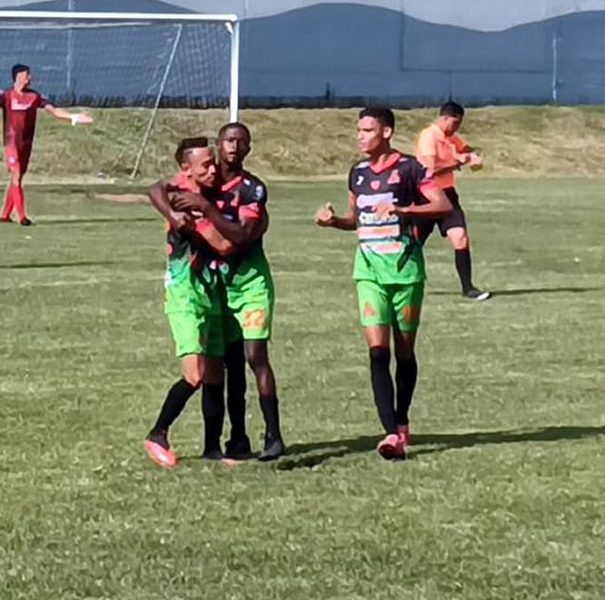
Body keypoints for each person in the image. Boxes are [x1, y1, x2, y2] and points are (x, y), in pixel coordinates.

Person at [316, 107, 452, 460]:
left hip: (405, 271)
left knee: (404, 353)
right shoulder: (357, 173)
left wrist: (404, 212)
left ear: (387, 132)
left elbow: (441, 205)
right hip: (368, 272)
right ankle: (390, 433)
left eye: (367, 130)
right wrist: (334, 222)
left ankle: (402, 420)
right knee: (378, 352)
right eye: (358, 130)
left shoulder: (410, 169)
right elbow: (357, 221)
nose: (360, 136)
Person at [154, 124, 285, 463]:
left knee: (243, 361)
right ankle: (185, 439)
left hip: (237, 285)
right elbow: (156, 188)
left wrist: (202, 212)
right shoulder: (193, 188)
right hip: (202, 288)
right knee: (210, 370)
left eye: (242, 141)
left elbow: (235, 240)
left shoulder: (248, 189)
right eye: (228, 140)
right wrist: (174, 214)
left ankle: (253, 440)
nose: (233, 148)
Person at [142, 137, 256, 468]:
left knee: (215, 374)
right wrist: (178, 217)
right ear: (186, 170)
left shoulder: (204, 194)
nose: (213, 168)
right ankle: (157, 433)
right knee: (195, 373)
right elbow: (221, 243)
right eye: (205, 164)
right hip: (185, 292)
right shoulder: (181, 197)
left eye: (212, 161)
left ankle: (212, 449)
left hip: (212, 290)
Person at [0, 64, 92, 226]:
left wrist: (73, 118)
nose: (30, 78)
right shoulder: (5, 96)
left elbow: (53, 110)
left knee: (16, 178)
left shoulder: (35, 97)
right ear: (18, 77)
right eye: (27, 75)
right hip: (11, 142)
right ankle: (22, 217)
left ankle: (5, 215)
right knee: (16, 175)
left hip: (26, 144)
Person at [413, 101, 490, 301]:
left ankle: (468, 288)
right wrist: (458, 162)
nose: (456, 129)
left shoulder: (450, 137)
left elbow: (465, 147)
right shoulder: (428, 136)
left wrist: (473, 155)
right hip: (426, 195)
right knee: (413, 243)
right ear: (445, 117)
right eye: (454, 124)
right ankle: (397, 278)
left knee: (460, 237)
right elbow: (430, 169)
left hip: (448, 195)